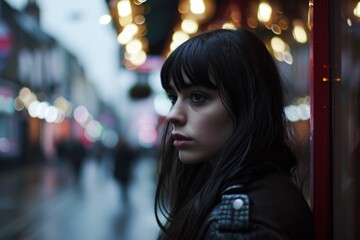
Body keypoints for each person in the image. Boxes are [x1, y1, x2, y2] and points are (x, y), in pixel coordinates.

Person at [154, 28, 315, 240]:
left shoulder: (242, 224)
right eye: (174, 98)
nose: (174, 115)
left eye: (198, 97)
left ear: (247, 105)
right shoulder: (252, 194)